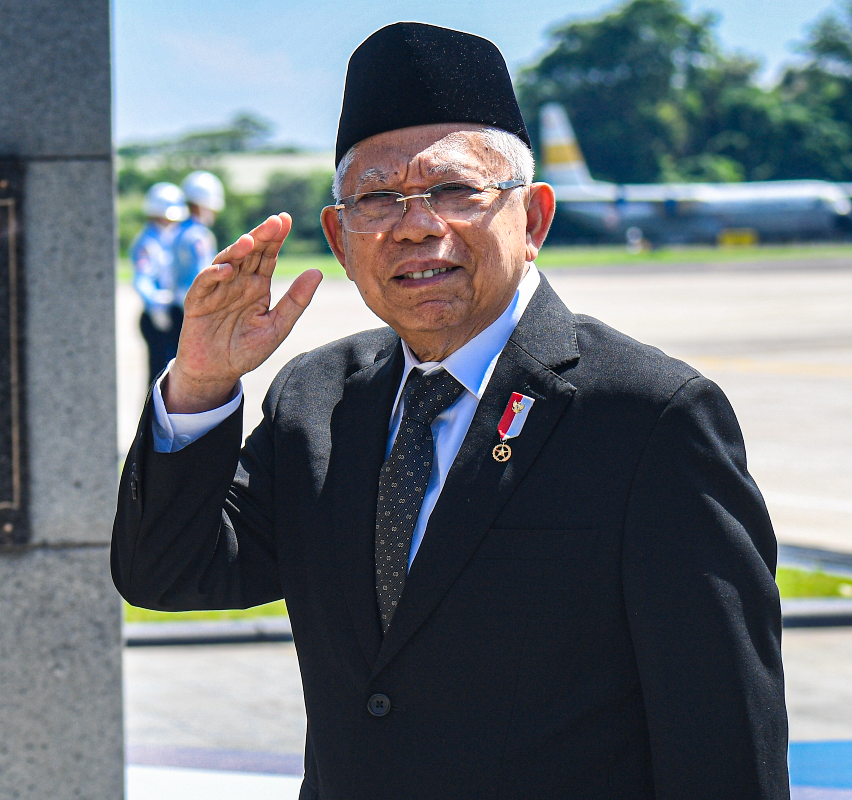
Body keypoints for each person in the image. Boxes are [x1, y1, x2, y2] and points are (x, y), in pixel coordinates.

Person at [113, 22, 788, 800]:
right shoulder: (318, 401)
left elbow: (722, 745)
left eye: (455, 190)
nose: (415, 224)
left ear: (533, 219)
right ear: (339, 236)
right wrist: (198, 383)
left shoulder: (646, 419)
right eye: (377, 198)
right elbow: (165, 573)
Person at [131, 181, 188, 381]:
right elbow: (142, 278)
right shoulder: (147, 243)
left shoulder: (171, 240)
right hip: (156, 315)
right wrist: (155, 302)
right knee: (159, 375)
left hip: (172, 312)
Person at [169, 170, 224, 331]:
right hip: (195, 307)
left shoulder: (176, 231)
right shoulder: (200, 236)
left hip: (175, 304)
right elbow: (203, 273)